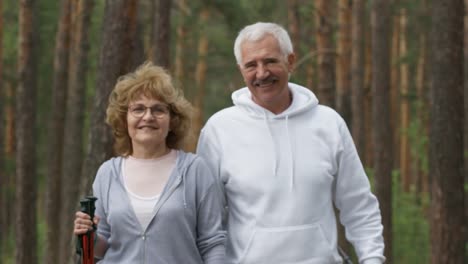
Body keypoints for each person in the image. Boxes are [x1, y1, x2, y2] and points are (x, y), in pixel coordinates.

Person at [196, 22, 385, 264]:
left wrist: (372, 259)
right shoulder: (219, 129)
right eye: (251, 65)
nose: (262, 73)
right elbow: (207, 220)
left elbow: (358, 205)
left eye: (271, 61)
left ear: (291, 61)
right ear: (241, 70)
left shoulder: (328, 123)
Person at [73, 62, 226, 263]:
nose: (148, 116)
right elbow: (101, 249)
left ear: (172, 120)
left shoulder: (195, 170)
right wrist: (88, 236)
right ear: (124, 118)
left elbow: (212, 242)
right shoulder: (107, 173)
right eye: (138, 109)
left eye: (158, 110)